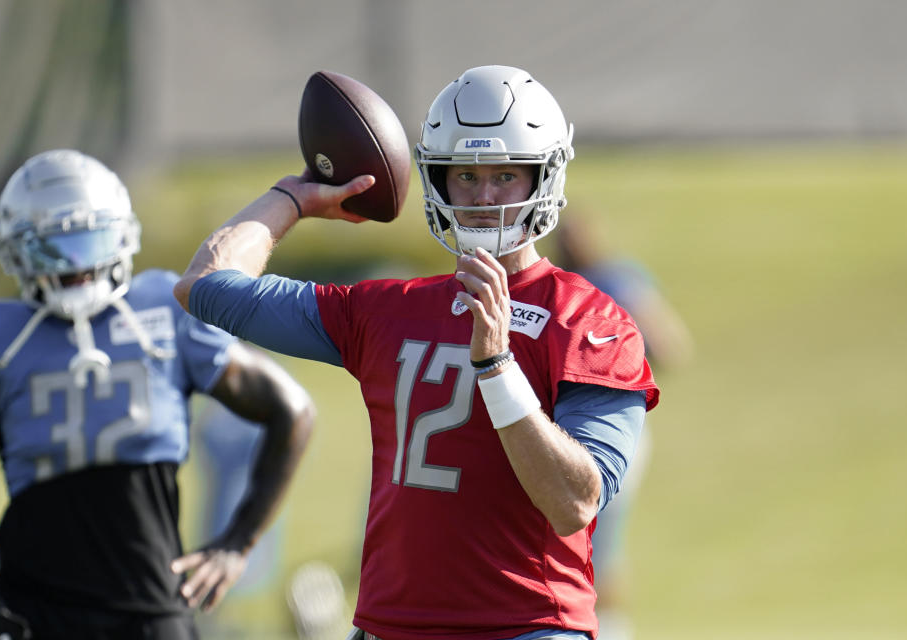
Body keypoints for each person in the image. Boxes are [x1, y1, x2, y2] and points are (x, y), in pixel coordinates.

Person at [174, 65, 659, 640]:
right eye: (465, 175)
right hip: (390, 627)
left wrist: (496, 366)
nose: (484, 197)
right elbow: (204, 286)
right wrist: (293, 198)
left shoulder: (592, 322)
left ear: (543, 177)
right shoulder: (386, 308)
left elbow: (575, 502)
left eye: (506, 175)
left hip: (523, 628)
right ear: (436, 180)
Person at [0, 149, 315, 639]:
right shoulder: (3, 337)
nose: (78, 268)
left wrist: (237, 541)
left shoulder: (162, 311)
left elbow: (291, 410)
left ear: (119, 235)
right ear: (19, 249)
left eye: (91, 240)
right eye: (54, 249)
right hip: (28, 613)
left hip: (150, 609)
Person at [554, 216, 694, 640]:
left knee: (597, 543)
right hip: (562, 428)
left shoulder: (612, 280)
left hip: (613, 424)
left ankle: (608, 629)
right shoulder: (565, 284)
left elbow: (669, 345)